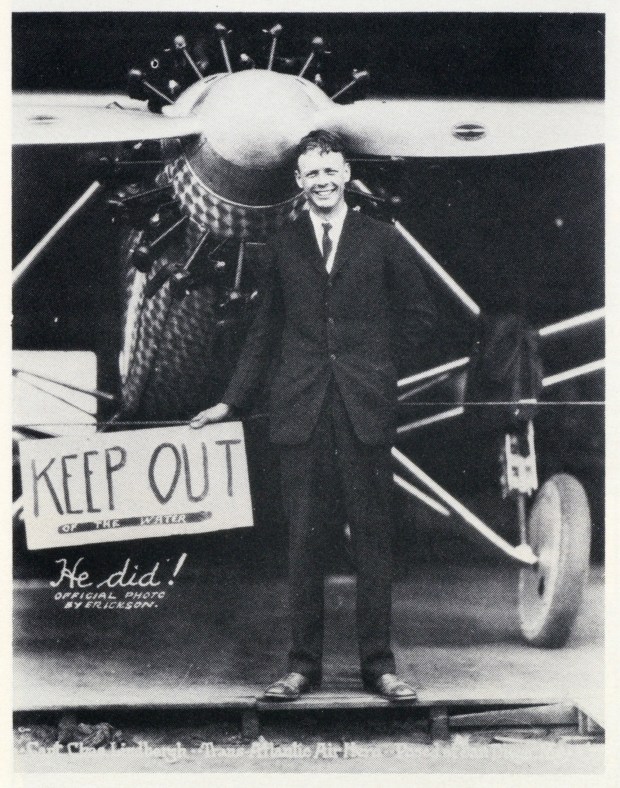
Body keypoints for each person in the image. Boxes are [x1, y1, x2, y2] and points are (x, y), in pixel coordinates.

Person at [191, 130, 436, 702]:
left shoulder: (383, 240)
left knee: (373, 540)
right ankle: (302, 668)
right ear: (299, 183)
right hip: (300, 412)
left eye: (330, 171)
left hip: (363, 411)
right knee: (303, 542)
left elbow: (421, 317)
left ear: (346, 174)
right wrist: (231, 401)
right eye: (311, 174)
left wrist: (379, 370)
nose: (322, 182)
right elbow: (264, 330)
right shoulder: (282, 245)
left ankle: (380, 667)